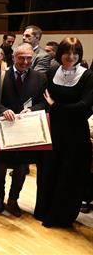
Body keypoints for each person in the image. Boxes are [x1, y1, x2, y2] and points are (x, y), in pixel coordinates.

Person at [37, 37, 93, 228]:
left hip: (76, 135)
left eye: (75, 53)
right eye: (67, 52)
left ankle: (60, 217)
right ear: (60, 53)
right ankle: (44, 211)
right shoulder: (53, 70)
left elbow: (85, 106)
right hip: (54, 131)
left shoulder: (87, 76)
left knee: (68, 175)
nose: (71, 56)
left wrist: (56, 106)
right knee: (49, 171)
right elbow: (45, 96)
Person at [0, 43, 47, 217]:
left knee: (21, 167)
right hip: (5, 128)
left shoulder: (40, 78)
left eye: (29, 58)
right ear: (13, 57)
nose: (25, 61)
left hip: (26, 130)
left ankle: (13, 200)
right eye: (21, 57)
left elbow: (44, 102)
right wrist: (2, 109)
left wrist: (33, 110)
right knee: (1, 164)